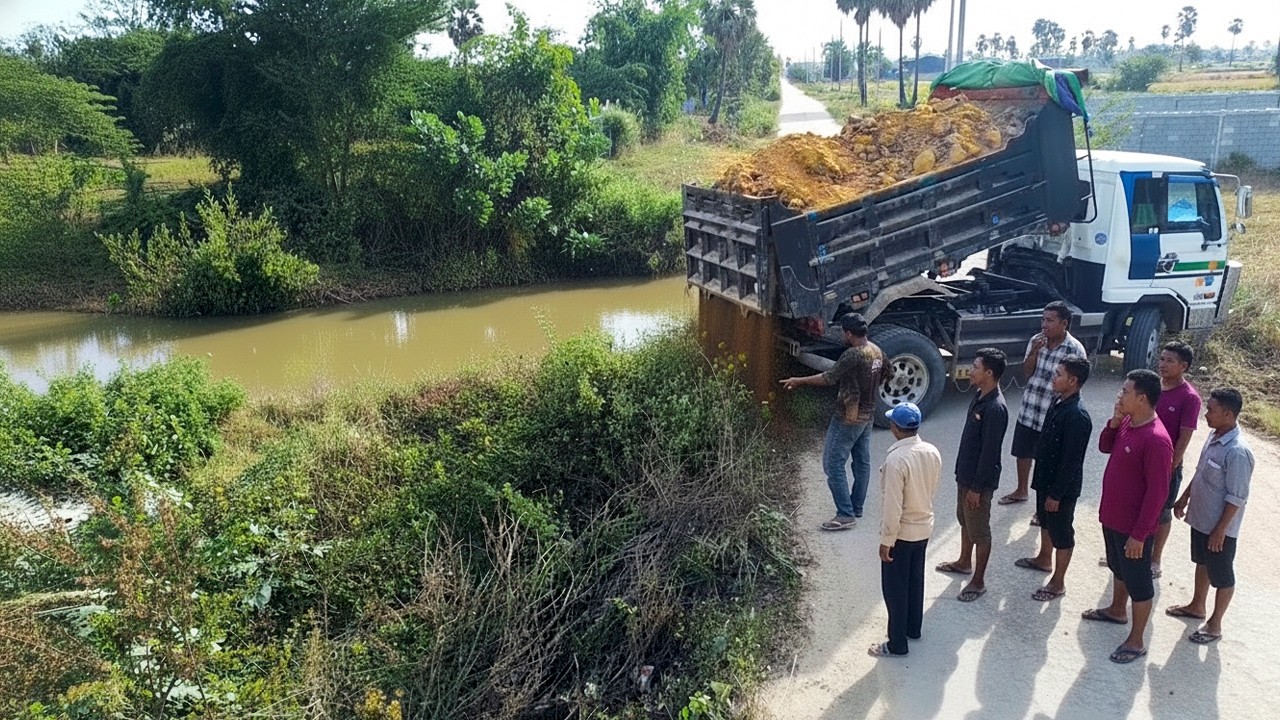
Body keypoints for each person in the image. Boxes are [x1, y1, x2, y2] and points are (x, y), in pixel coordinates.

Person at [1082, 369, 1173, 665]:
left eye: (1125, 392)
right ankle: (1116, 610)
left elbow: (1158, 494)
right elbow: (1105, 446)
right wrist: (1115, 421)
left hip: (1134, 528)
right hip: (1112, 518)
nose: (1119, 396)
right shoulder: (1129, 423)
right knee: (1117, 568)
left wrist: (1140, 534)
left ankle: (1136, 641)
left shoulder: (1157, 439)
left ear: (1142, 398)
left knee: (1140, 583)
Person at [780, 313, 886, 531]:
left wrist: (799, 381)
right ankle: (856, 507)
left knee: (833, 464)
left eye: (842, 332)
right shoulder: (876, 351)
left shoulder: (852, 355)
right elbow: (889, 372)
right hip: (868, 414)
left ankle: (845, 515)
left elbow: (829, 377)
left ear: (848, 333)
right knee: (861, 462)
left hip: (848, 416)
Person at [1166, 387, 1255, 644]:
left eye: (1211, 411)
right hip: (1202, 520)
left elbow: (1237, 497)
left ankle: (1215, 624)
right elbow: (1202, 471)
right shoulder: (1214, 436)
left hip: (1219, 529)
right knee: (1202, 563)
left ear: (1228, 414)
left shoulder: (1238, 452)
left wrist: (1220, 530)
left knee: (1223, 575)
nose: (1206, 414)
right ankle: (1197, 605)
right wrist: (1185, 496)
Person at [1000, 302, 1087, 520]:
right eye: (1043, 319)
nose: (1044, 324)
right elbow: (1027, 373)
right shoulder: (1036, 341)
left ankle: (1042, 508)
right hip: (1031, 407)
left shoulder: (1074, 350)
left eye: (1050, 320)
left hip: (1053, 414)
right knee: (1022, 451)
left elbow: (1076, 384)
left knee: (1047, 460)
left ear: (1064, 323)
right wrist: (1034, 353)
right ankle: (1021, 491)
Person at [1016, 355, 1093, 603]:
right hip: (1045, 479)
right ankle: (1043, 558)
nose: (1053, 377)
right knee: (1046, 523)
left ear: (1072, 381)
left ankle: (1058, 582)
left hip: (1061, 489)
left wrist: (1057, 495)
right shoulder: (1058, 402)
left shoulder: (1078, 416)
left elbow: (1071, 462)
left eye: (1058, 374)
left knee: (1062, 532)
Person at [869, 402, 942, 658]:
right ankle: (913, 628)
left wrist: (886, 540)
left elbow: (892, 507)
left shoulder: (896, 460)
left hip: (901, 534)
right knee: (914, 580)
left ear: (894, 428)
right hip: (923, 528)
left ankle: (897, 642)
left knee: (895, 589)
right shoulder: (931, 451)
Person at [936, 348, 1009, 603]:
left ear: (989, 373)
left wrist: (977, 489)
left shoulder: (995, 408)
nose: (971, 371)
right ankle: (964, 561)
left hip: (978, 482)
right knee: (964, 520)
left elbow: (990, 453)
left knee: (980, 531)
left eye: (976, 367)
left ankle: (978, 581)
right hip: (965, 475)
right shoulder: (979, 395)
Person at [1149, 342, 1201, 579]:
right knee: (1138, 506)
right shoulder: (1152, 386)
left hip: (1166, 465)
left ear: (1184, 366)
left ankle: (1155, 559)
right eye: (1161, 359)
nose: (1163, 365)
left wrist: (1171, 465)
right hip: (1142, 459)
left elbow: (1185, 435)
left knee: (1161, 512)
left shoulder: (1190, 398)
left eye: (1170, 361)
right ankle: (1131, 550)